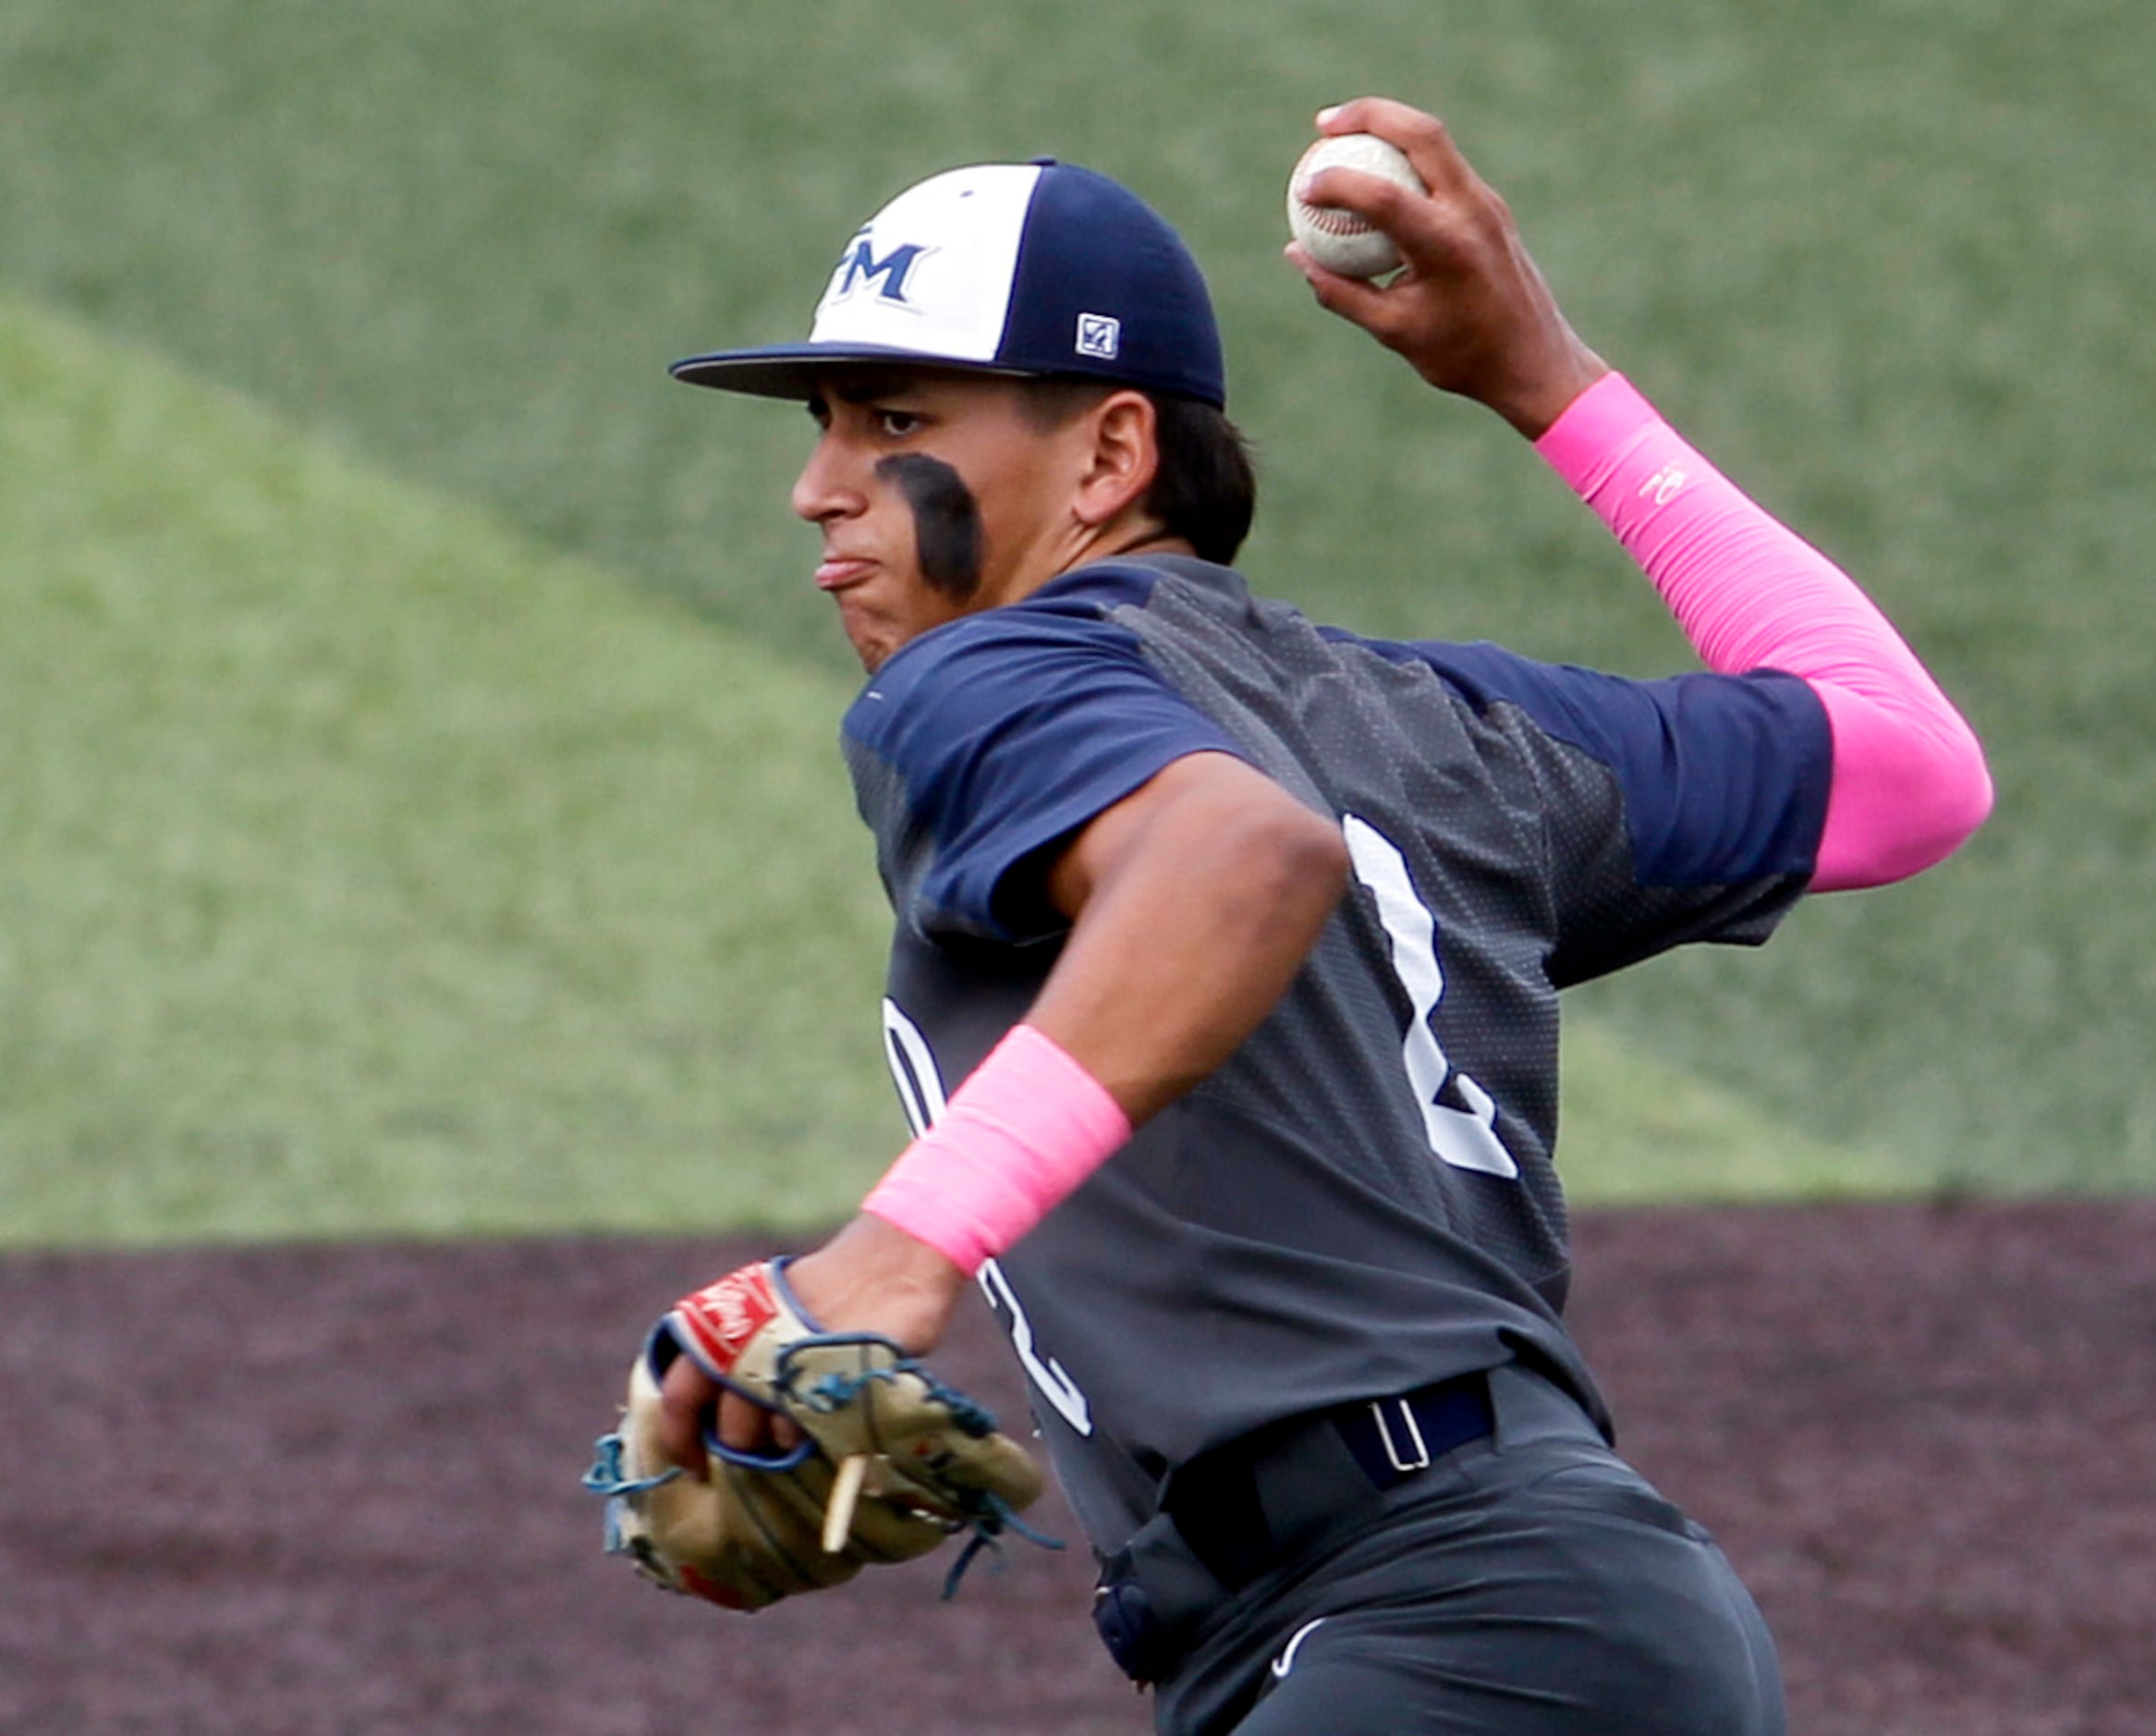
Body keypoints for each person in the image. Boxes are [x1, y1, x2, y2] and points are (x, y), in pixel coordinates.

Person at [651, 96, 1992, 1735]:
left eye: (891, 420)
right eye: (823, 422)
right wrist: (1549, 388)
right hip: (1536, 1617)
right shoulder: (1445, 730)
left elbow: (1237, 859)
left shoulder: (992, 672)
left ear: (1111, 454)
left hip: (1441, 1627)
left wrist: (898, 1253)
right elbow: (1907, 766)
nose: (815, 485)